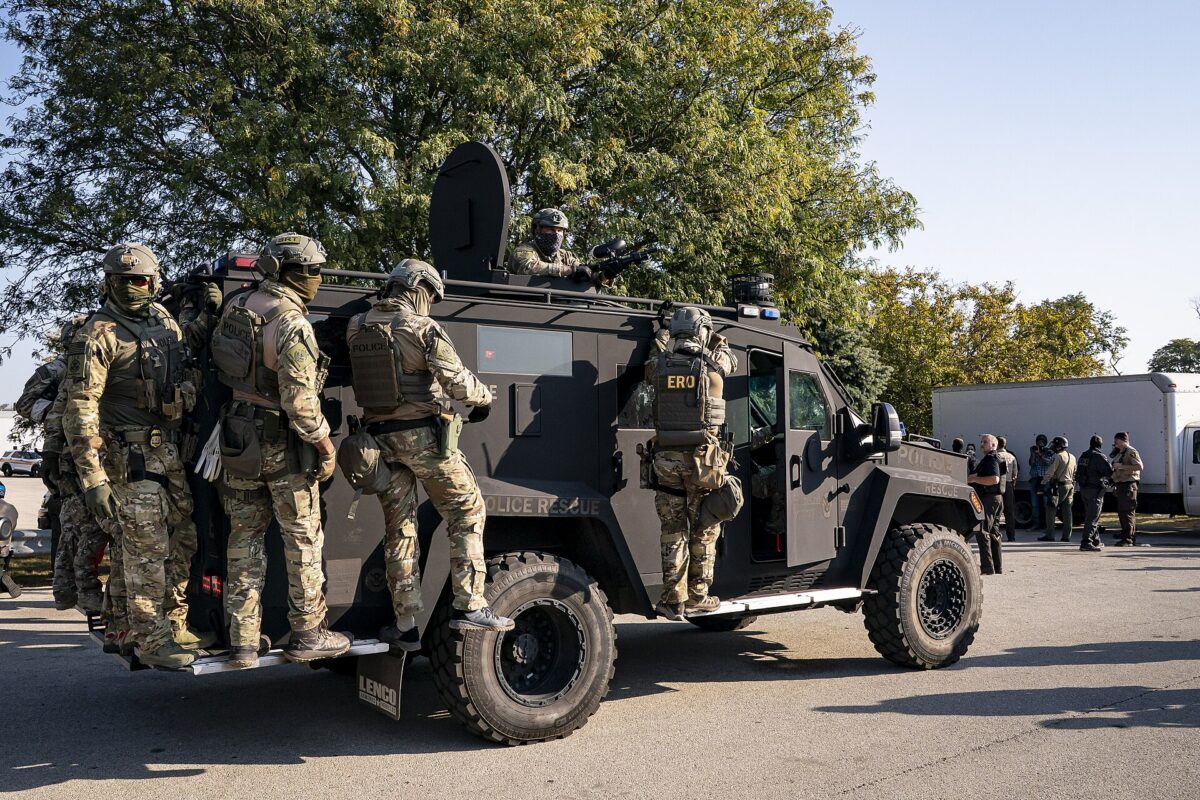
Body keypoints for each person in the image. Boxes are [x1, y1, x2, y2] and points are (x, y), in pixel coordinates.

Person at [63, 243, 221, 668]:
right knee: (145, 550)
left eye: (138, 279)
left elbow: (182, 345)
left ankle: (171, 623)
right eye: (121, 280)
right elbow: (80, 410)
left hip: (165, 453)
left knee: (182, 538)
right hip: (127, 457)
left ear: (153, 282)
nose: (130, 287)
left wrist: (207, 315)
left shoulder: (160, 318)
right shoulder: (97, 335)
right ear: (108, 282)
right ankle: (152, 639)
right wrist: (93, 479)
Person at [343, 259, 514, 650]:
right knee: (467, 510)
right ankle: (470, 605)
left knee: (400, 529)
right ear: (418, 287)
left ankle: (404, 623)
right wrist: (484, 398)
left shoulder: (356, 325)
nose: (431, 304)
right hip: (423, 439)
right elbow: (457, 383)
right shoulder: (422, 327)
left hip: (377, 441)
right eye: (431, 296)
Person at [210, 232, 349, 668]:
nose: (317, 278)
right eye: (312, 271)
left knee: (243, 540)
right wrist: (326, 446)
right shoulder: (292, 323)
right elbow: (301, 405)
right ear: (290, 272)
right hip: (281, 445)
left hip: (238, 437)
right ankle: (308, 634)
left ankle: (243, 642)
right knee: (302, 541)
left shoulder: (237, 306)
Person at [646, 306, 739, 619]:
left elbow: (655, 354)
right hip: (703, 463)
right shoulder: (713, 366)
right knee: (704, 528)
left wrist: (662, 334)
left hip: (665, 462)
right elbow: (731, 358)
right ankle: (698, 596)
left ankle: (673, 600)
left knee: (673, 530)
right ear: (702, 331)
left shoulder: (658, 366)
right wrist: (716, 339)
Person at [507, 208, 582, 277]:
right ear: (537, 230)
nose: (556, 235)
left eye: (559, 230)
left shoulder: (565, 256)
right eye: (551, 230)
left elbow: (579, 268)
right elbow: (528, 267)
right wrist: (568, 270)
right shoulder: (523, 251)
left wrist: (585, 270)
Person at [967, 434, 1004, 575]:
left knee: (982, 532)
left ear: (994, 445)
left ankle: (987, 567)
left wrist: (974, 480)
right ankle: (997, 566)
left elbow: (994, 479)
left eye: (985, 442)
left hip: (989, 498)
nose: (982, 444)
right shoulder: (996, 458)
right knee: (994, 532)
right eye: (981, 442)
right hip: (997, 499)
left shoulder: (991, 459)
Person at [1076, 434, 1113, 552]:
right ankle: (1086, 542)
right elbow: (1109, 472)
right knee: (1093, 516)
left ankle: (1096, 540)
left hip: (1084, 489)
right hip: (1095, 490)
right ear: (1100, 445)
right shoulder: (1099, 456)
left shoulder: (1084, 455)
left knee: (1090, 515)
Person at [1038, 435, 1076, 542]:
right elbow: (1075, 472)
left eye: (1054, 445)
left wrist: (1043, 483)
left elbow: (1050, 472)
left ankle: (1050, 535)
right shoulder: (1072, 457)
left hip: (1058, 486)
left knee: (1051, 509)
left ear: (1059, 446)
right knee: (1067, 511)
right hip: (1070, 485)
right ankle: (1066, 536)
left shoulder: (1057, 456)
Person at [1110, 431, 1143, 546]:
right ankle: (1127, 535)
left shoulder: (1131, 451)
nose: (1115, 444)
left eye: (1116, 441)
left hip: (1128, 485)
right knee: (1123, 512)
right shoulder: (1121, 452)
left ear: (1123, 441)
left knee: (1127, 512)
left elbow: (1139, 466)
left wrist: (1122, 466)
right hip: (1121, 484)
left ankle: (1128, 539)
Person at [996, 436, 1019, 542]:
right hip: (1008, 484)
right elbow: (1015, 474)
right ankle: (1011, 536)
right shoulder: (1012, 457)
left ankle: (995, 534)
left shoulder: (995, 456)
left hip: (997, 485)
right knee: (1009, 511)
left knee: (996, 511)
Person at [1028, 434, 1052, 531]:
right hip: (1035, 479)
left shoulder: (1049, 451)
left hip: (1045, 480)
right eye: (1038, 442)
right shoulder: (1034, 450)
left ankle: (1047, 525)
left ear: (1045, 443)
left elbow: (1048, 463)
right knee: (1034, 504)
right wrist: (1033, 454)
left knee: (1046, 503)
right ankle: (1036, 524)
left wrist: (1040, 454)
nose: (1040, 444)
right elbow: (1031, 463)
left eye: (1042, 442)